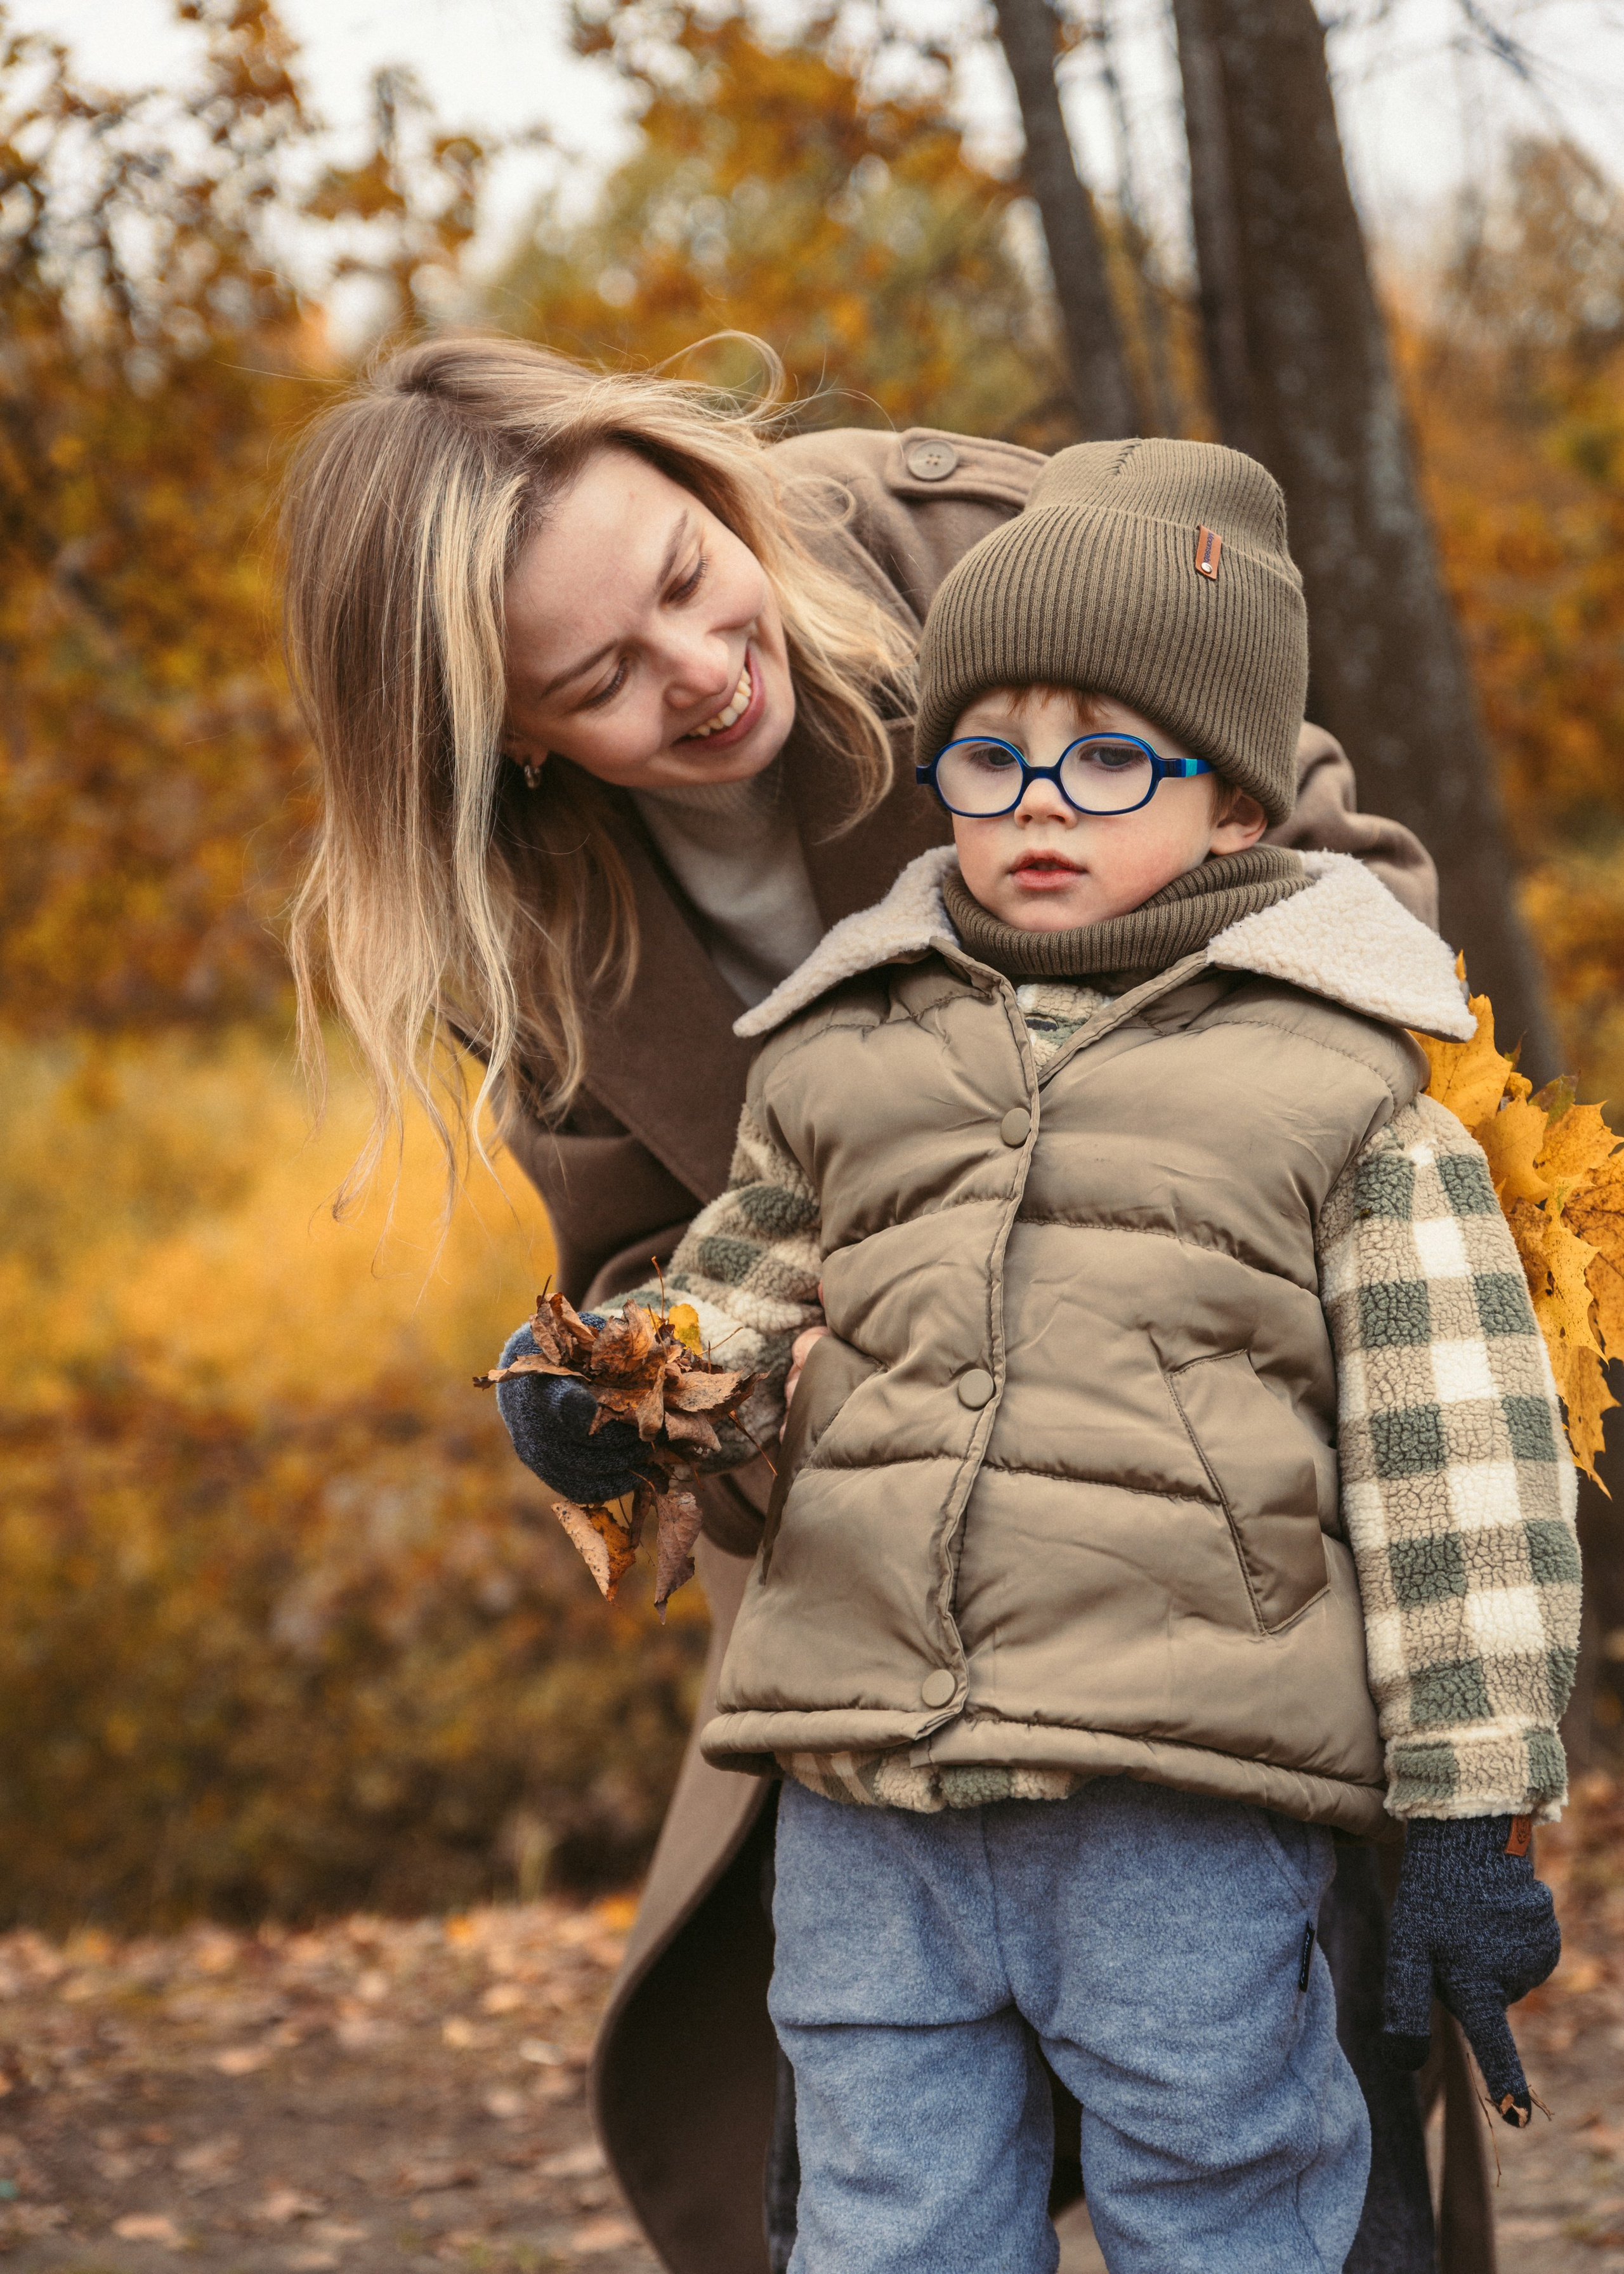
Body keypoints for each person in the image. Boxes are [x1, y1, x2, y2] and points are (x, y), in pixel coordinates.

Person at [279, 336, 1478, 2272]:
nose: (699, 667)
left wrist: (1114, 1203)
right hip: (880, 1572)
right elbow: (652, 1272)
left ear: (711, 492)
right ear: (511, 738)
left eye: (689, 577)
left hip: (1206, 1511)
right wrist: (683, 1393)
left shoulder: (977, 556)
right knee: (877, 2162)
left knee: (1271, 2114)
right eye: (599, 678)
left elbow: (1351, 887)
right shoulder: (536, 933)